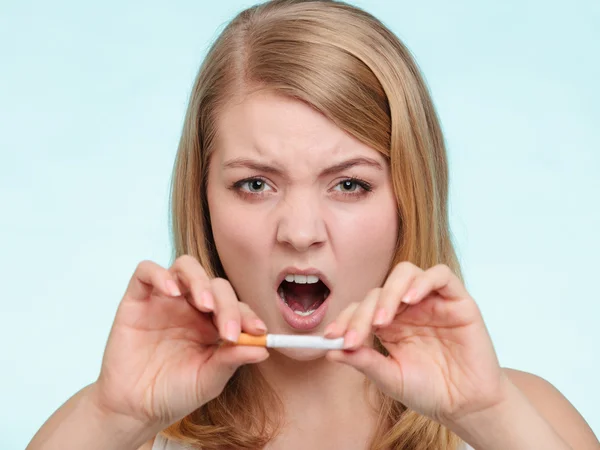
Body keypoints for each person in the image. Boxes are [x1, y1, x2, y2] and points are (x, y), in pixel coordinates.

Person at [27, 1, 599, 449]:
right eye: (255, 184)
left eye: (350, 184)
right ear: (202, 201)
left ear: (410, 200)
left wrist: (486, 418)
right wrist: (113, 419)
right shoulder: (113, 425)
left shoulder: (522, 419)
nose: (300, 232)